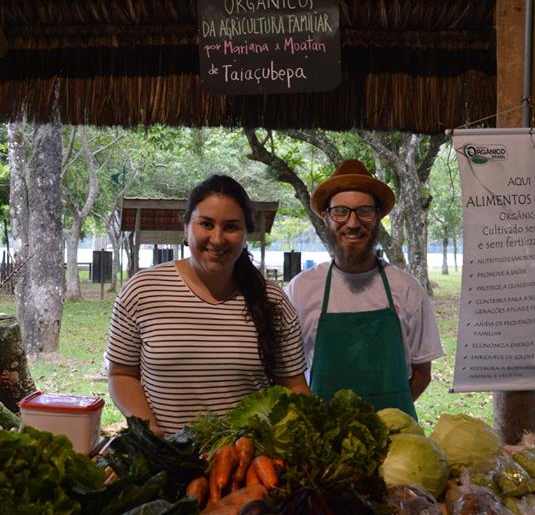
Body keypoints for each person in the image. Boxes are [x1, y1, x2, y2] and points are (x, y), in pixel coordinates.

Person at [105, 175, 309, 436]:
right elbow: (122, 375)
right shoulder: (142, 290)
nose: (217, 238)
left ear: (246, 232)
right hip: (166, 457)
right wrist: (149, 429)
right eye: (206, 224)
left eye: (231, 227)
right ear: (186, 227)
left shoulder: (273, 300)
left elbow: (293, 384)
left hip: (247, 462)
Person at [285, 159, 443, 420]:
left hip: (397, 441)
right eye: (341, 212)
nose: (353, 222)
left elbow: (422, 374)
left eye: (365, 211)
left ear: (378, 217)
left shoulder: (407, 289)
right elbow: (290, 375)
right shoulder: (300, 290)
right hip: (324, 441)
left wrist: (382, 423)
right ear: (325, 217)